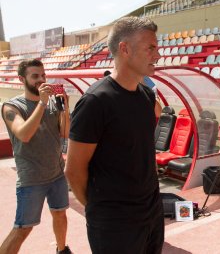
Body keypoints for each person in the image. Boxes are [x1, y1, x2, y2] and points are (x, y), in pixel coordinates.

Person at [65, 16, 164, 254]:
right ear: (125, 49)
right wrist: (101, 210)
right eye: (150, 48)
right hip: (114, 223)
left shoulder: (146, 97)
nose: (157, 55)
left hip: (151, 213)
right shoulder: (96, 102)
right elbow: (74, 169)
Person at [0, 59, 71, 254]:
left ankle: (62, 249)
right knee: (23, 228)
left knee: (60, 214)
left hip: (56, 174)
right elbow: (24, 134)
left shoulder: (50, 104)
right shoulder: (11, 106)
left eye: (43, 75)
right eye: (35, 76)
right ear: (22, 79)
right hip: (32, 179)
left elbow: (65, 132)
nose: (41, 80)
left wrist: (65, 108)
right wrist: (42, 103)